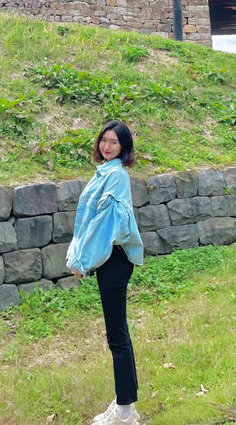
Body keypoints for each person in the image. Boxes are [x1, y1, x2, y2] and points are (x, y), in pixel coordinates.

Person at [66, 120, 144, 425]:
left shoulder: (115, 177)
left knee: (117, 336)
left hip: (113, 259)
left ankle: (126, 411)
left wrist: (82, 262)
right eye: (104, 140)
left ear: (124, 147)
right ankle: (126, 404)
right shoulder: (107, 172)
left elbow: (102, 226)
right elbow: (89, 220)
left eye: (114, 142)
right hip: (110, 259)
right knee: (117, 333)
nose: (106, 146)